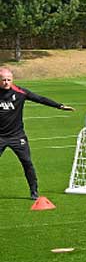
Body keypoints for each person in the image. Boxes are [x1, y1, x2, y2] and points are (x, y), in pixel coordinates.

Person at [0, 66, 74, 199]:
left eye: (8, 79)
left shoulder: (20, 92)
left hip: (17, 136)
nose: (6, 82)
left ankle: (34, 191)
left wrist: (59, 106)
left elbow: (39, 98)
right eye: (3, 80)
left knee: (27, 162)